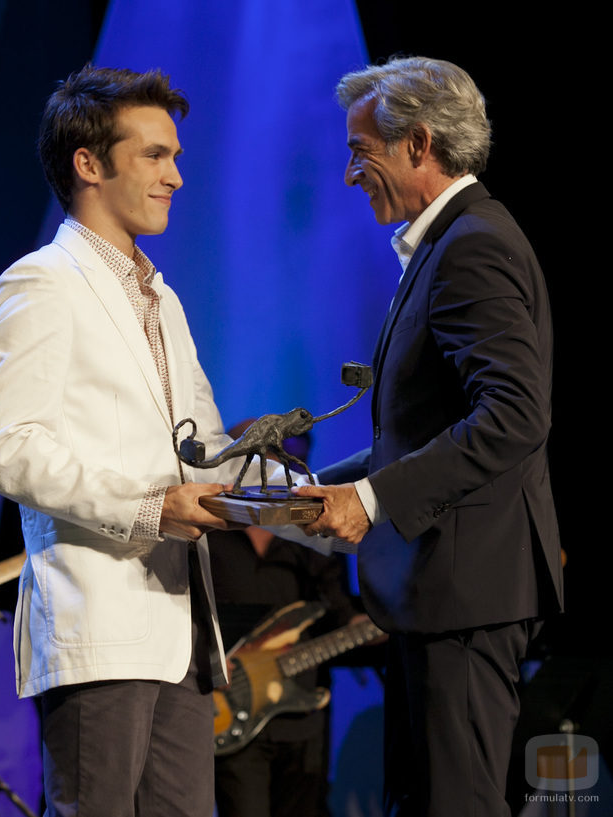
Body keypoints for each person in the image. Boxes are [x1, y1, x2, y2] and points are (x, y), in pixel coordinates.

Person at [0, 65, 256, 817]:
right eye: (155, 155)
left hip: (182, 624)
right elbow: (5, 446)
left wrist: (307, 497)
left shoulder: (163, 297)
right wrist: (149, 506)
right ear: (89, 165)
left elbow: (206, 450)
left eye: (176, 157)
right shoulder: (40, 282)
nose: (176, 176)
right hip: (98, 622)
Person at [294, 57, 563, 816]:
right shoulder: (450, 243)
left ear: (418, 144)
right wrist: (318, 491)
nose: (350, 173)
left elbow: (515, 413)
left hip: (465, 591)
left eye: (360, 151)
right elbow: (430, 427)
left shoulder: (471, 245)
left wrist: (372, 500)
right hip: (438, 593)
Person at [209, 432, 363, 817]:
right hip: (230, 708)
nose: (287, 470)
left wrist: (377, 621)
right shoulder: (208, 530)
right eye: (272, 459)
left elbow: (339, 612)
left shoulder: (315, 533)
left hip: (301, 710)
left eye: (295, 462)